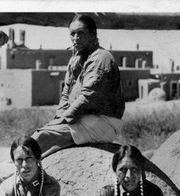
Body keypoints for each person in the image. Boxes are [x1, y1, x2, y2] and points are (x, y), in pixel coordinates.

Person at [32, 14, 125, 158]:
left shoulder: (101, 58)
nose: (76, 38)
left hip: (103, 122)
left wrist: (62, 120)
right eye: (72, 34)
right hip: (81, 119)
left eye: (81, 33)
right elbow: (66, 93)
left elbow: (87, 98)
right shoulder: (75, 59)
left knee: (42, 137)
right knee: (39, 141)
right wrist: (58, 118)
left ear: (93, 34)